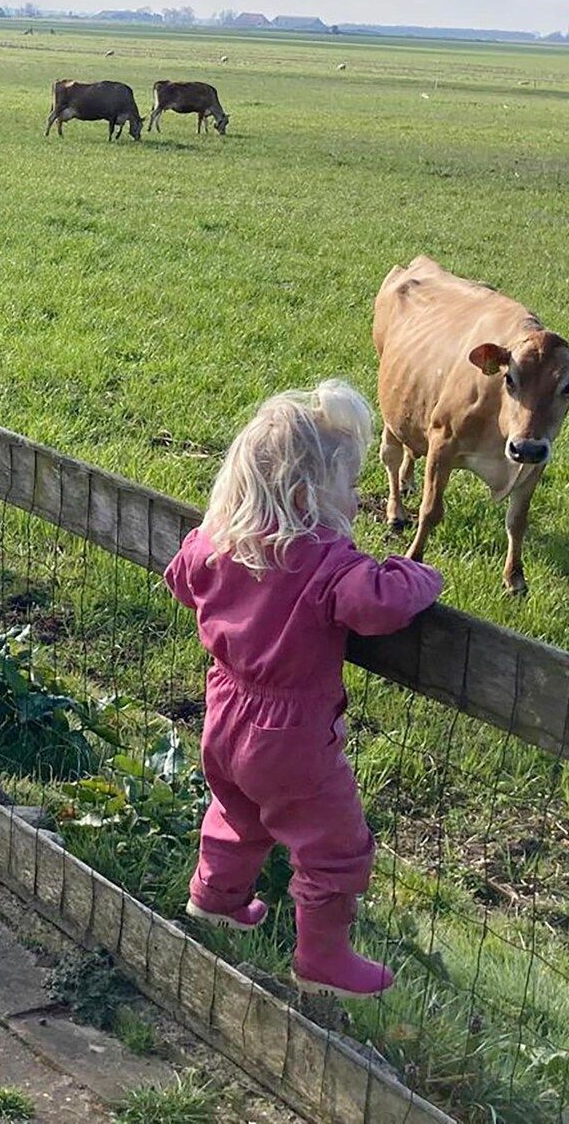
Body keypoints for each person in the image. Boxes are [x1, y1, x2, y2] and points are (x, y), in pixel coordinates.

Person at [164, 379, 441, 997]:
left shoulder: (218, 544)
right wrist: (422, 574)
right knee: (334, 844)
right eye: (349, 484)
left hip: (223, 709)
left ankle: (215, 898)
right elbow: (381, 603)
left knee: (237, 808)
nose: (359, 496)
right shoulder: (324, 562)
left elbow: (181, 576)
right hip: (291, 735)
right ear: (304, 493)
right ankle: (322, 958)